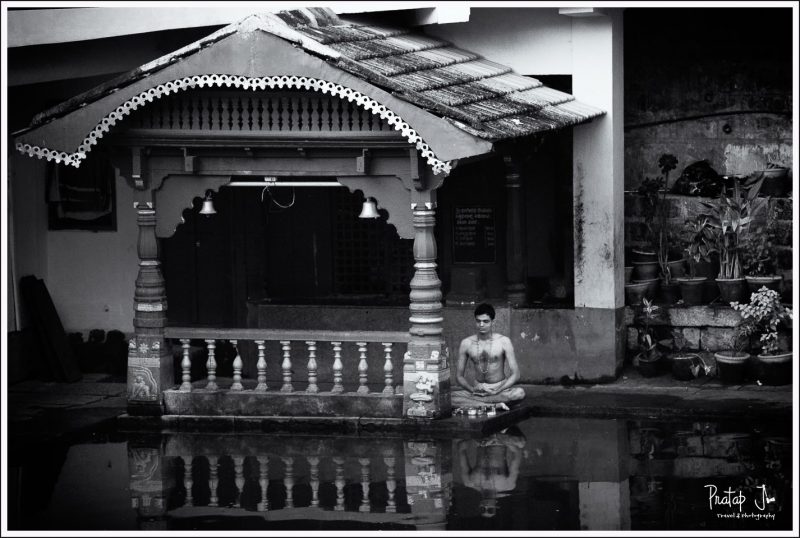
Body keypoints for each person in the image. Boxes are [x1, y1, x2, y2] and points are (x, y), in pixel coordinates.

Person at [452, 303, 525, 408]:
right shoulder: (466, 343)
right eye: (478, 321)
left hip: (499, 390)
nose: (481, 325)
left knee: (519, 393)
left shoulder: (504, 341)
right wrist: (472, 390)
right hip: (477, 391)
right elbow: (459, 376)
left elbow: (516, 374)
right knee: (448, 398)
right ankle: (492, 406)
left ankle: (479, 405)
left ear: (493, 322)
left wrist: (497, 390)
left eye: (485, 321)